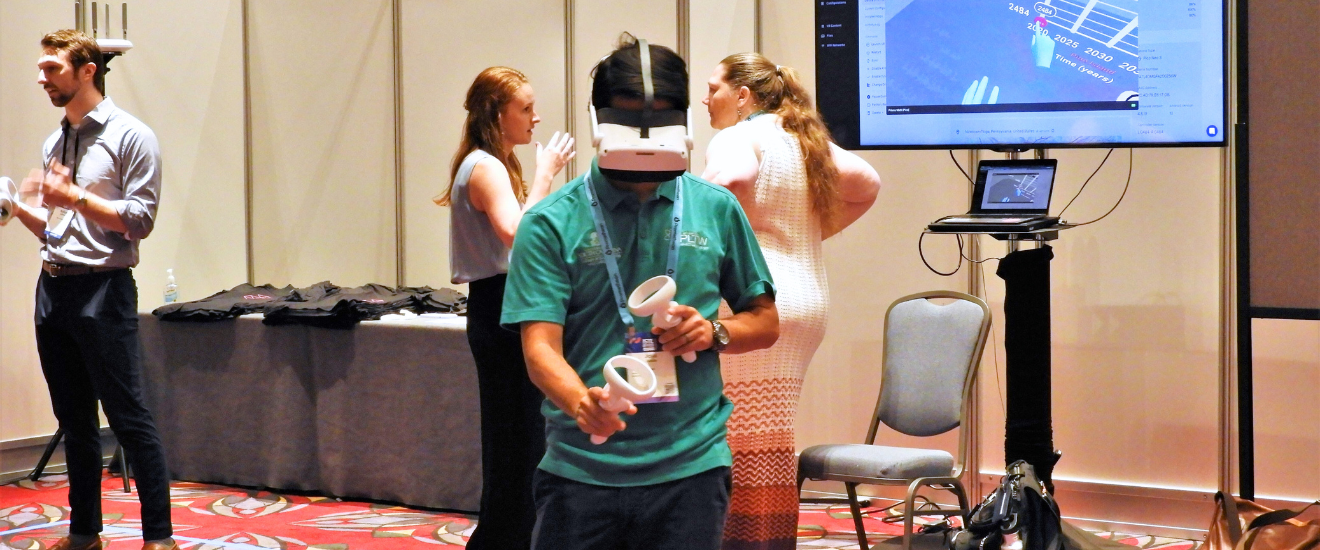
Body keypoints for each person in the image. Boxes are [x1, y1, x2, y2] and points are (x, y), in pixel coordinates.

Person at [500, 36, 781, 550]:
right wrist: (581, 402)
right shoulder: (550, 222)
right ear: (598, 122)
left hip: (691, 465)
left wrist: (714, 330)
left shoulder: (714, 208)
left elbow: (764, 320)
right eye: (629, 122)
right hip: (583, 468)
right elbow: (540, 347)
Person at [701, 52, 881, 550]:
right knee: (767, 438)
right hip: (805, 300)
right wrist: (808, 235)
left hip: (756, 302)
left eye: (713, 88)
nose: (704, 98)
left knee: (740, 441)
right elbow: (867, 185)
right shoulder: (802, 137)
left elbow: (728, 183)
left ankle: (745, 542)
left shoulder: (737, 136)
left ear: (743, 95)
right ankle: (764, 540)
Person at [8, 29, 175, 550]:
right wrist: (17, 209)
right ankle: (85, 534)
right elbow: (60, 229)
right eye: (40, 68)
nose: (41, 77)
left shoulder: (132, 136)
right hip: (53, 288)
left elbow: (140, 222)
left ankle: (159, 538)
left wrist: (73, 195)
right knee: (74, 421)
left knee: (129, 418)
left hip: (104, 290)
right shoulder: (55, 140)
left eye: (52, 68)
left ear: (87, 71)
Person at [432, 66, 574, 550]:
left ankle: (509, 537)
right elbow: (519, 235)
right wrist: (547, 173)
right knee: (518, 440)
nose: (536, 118)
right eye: (527, 108)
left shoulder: (490, 163)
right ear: (498, 113)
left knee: (517, 438)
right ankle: (503, 540)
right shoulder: (486, 166)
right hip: (500, 308)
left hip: (499, 305)